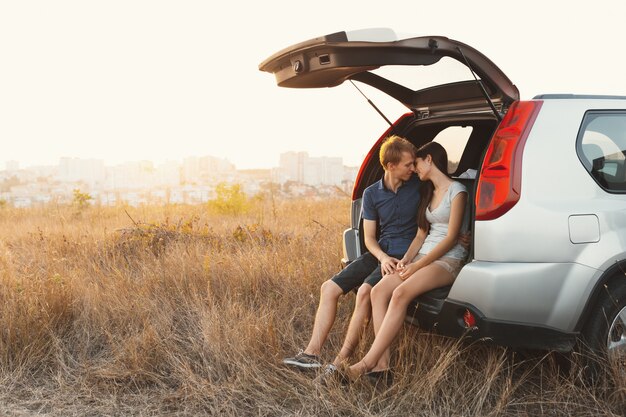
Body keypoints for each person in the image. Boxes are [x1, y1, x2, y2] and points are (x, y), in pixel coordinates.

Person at [282, 135, 421, 370]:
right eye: (408, 164)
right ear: (390, 166)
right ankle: (311, 354)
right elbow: (368, 237)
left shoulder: (419, 186)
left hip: (404, 255)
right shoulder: (371, 194)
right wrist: (382, 256)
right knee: (329, 287)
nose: (413, 168)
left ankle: (340, 362)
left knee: (365, 292)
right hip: (381, 253)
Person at [346, 141, 469, 383]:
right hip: (423, 255)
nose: (414, 169)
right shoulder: (428, 192)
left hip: (447, 259)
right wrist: (406, 260)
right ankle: (382, 368)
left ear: (430, 160)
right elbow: (421, 235)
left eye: (417, 162)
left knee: (400, 293)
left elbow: (453, 237)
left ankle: (367, 362)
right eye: (410, 164)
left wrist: (417, 266)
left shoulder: (458, 190)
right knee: (379, 291)